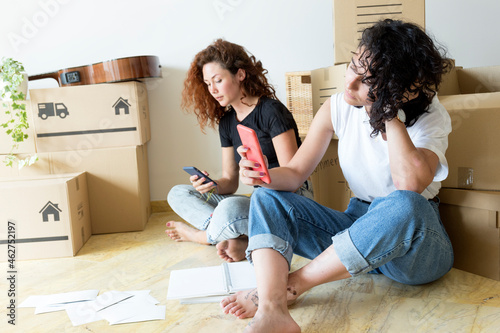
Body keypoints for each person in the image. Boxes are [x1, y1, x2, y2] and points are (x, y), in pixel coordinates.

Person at [221, 19, 454, 332]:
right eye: (353, 66)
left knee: (405, 203)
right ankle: (272, 308)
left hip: (413, 245)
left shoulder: (431, 117)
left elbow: (409, 185)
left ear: (402, 90)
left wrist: (387, 112)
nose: (350, 84)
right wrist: (264, 176)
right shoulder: (337, 106)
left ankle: (289, 287)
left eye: (368, 80)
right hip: (357, 228)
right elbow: (294, 173)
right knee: (267, 198)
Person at [166, 39, 313, 262]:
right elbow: (230, 182)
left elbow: (294, 178)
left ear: (240, 75)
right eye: (207, 84)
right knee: (178, 193)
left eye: (218, 80)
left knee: (231, 207)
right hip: (258, 201)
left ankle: (203, 236)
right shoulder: (227, 122)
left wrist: (263, 178)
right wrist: (211, 185)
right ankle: (239, 235)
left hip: (287, 200)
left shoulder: (271, 111)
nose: (212, 90)